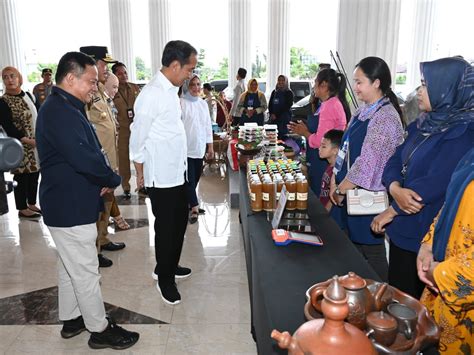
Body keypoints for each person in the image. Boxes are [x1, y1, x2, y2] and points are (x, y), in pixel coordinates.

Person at [35, 51, 139, 349]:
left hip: (69, 200)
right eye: (91, 81)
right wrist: (111, 179)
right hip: (69, 205)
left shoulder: (66, 105)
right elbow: (84, 157)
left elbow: (87, 151)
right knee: (85, 269)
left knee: (71, 266)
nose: (95, 86)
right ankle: (99, 327)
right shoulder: (59, 111)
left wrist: (101, 177)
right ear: (70, 78)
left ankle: (72, 319)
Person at [371, 57, 474, 298]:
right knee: (396, 293)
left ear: (447, 89)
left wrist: (392, 209)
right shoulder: (422, 124)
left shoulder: (464, 134)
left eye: (426, 85)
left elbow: (434, 184)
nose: (419, 91)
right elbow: (394, 159)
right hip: (402, 226)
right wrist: (394, 187)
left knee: (411, 307)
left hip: (423, 235)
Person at [129, 40, 197, 305]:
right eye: (189, 68)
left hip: (176, 171)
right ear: (175, 65)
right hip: (161, 176)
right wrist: (140, 173)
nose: (190, 74)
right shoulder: (152, 94)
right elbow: (138, 137)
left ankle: (169, 265)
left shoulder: (171, 90)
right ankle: (164, 278)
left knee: (179, 223)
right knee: (167, 228)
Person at [330, 57, 405, 281]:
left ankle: (381, 297)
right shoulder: (362, 112)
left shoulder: (385, 117)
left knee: (371, 253)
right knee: (354, 251)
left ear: (377, 83)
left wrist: (342, 189)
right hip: (348, 191)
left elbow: (368, 163)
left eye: (360, 82)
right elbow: (345, 148)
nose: (355, 87)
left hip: (367, 198)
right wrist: (336, 177)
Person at [417, 148, 473, 354]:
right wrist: (428, 244)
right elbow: (452, 204)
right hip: (438, 289)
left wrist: (438, 273)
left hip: (461, 300)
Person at [80, 45, 126, 268]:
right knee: (98, 204)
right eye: (102, 64)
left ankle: (103, 238)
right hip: (98, 160)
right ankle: (94, 250)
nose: (106, 68)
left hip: (110, 159)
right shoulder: (85, 92)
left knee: (107, 203)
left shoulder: (98, 89)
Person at [288, 68, 350, 195]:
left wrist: (304, 133)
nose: (313, 85)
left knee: (319, 199)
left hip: (323, 161)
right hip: (320, 158)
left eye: (315, 82)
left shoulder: (330, 106)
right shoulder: (328, 103)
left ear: (324, 85)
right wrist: (305, 128)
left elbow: (320, 141)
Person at [0, 66, 41, 220]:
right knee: (22, 176)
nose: (10, 80)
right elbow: (8, 126)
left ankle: (31, 203)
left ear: (19, 78)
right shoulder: (3, 101)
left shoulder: (28, 95)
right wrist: (26, 140)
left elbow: (36, 115)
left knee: (35, 173)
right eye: (5, 77)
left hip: (35, 141)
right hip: (19, 144)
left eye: (12, 76)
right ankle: (22, 207)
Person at [180, 74, 214, 224]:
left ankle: (189, 202)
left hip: (199, 149)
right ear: (187, 86)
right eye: (192, 84)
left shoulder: (202, 104)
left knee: (196, 178)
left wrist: (210, 147)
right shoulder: (180, 103)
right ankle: (194, 207)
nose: (196, 88)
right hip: (185, 150)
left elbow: (207, 126)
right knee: (189, 180)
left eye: (198, 84)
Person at [104, 73, 130, 231]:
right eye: (114, 87)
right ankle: (114, 218)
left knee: (107, 190)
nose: (116, 90)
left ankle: (107, 224)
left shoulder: (107, 101)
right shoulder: (96, 100)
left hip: (109, 152)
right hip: (103, 153)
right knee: (105, 191)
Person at [111, 62, 141, 199]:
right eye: (120, 73)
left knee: (141, 155)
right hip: (122, 130)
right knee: (123, 159)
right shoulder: (112, 90)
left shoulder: (134, 87)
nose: (124, 75)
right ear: (114, 75)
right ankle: (126, 186)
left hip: (137, 128)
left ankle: (142, 184)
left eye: (125, 72)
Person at [318, 129, 343, 211]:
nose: (319, 149)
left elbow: (331, 199)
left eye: (323, 146)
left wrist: (325, 213)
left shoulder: (337, 172)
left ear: (335, 151)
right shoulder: (329, 165)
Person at [268, 75, 294, 139]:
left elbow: (287, 106)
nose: (281, 82)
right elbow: (270, 104)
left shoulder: (289, 93)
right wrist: (271, 113)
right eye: (279, 80)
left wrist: (276, 114)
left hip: (284, 118)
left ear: (286, 82)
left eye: (283, 80)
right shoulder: (274, 92)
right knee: (273, 136)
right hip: (274, 119)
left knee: (283, 137)